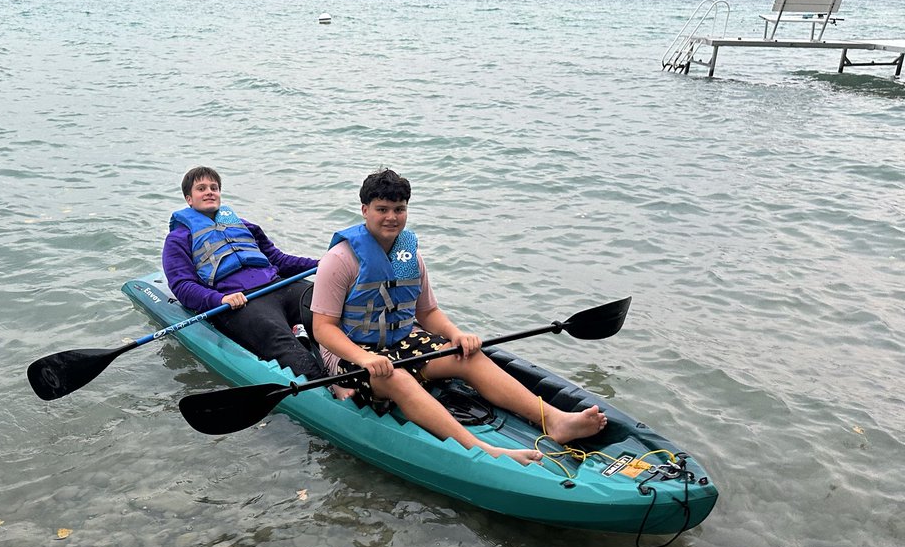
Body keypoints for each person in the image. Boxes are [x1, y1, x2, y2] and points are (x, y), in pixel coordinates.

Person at [310, 168, 607, 465]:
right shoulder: (339, 260)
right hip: (350, 356)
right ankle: (481, 448)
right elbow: (323, 328)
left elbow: (426, 312)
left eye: (399, 209)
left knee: (468, 356)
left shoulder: (408, 256)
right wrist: (365, 359)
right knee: (397, 378)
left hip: (400, 340)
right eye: (382, 209)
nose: (392, 217)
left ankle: (553, 420)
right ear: (365, 210)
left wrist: (456, 334)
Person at [163, 166, 337, 386]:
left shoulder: (244, 226)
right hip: (241, 302)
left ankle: (362, 365)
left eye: (214, 188)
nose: (209, 192)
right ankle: (326, 386)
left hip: (279, 286)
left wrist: (321, 265)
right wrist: (220, 299)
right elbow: (182, 286)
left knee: (330, 310)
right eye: (201, 188)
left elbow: (279, 259)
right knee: (281, 341)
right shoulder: (178, 238)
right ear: (189, 199)